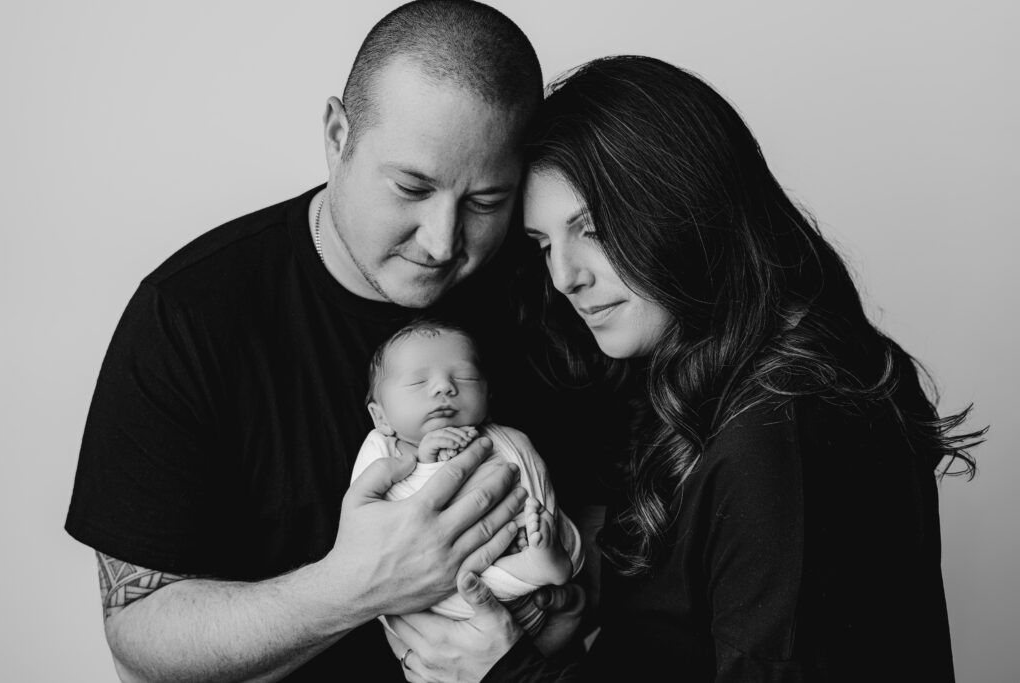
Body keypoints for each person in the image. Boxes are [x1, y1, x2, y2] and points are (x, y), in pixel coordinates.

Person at [386, 56, 985, 682]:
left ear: (683, 205)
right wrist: (559, 639)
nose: (565, 276)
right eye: (544, 244)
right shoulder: (703, 381)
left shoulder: (785, 426)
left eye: (591, 228)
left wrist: (508, 672)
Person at [65, 3, 600, 681]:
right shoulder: (190, 314)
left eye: (486, 201)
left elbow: (603, 548)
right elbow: (139, 637)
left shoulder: (547, 290)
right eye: (412, 186)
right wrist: (360, 585)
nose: (442, 240)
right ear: (337, 133)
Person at [349, 319, 582, 656]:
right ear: (381, 417)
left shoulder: (506, 440)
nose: (444, 387)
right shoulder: (383, 453)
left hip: (532, 611)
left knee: (548, 522)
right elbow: (379, 528)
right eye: (417, 382)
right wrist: (428, 464)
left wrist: (524, 526)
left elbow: (533, 483)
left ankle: (541, 558)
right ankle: (536, 566)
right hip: (443, 612)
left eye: (465, 377)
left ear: (487, 396)